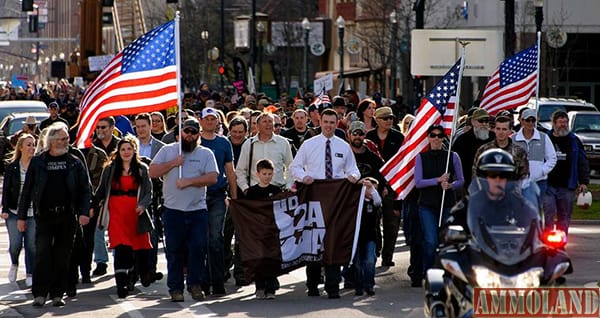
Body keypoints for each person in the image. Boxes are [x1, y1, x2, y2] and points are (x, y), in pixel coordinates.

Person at [289, 108, 361, 299]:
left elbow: (353, 169)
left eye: (332, 122)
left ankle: (333, 287)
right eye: (326, 122)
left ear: (337, 123)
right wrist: (304, 177)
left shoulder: (343, 146)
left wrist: (353, 177)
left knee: (333, 242)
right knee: (314, 244)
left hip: (337, 201)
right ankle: (312, 285)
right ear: (320, 122)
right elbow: (294, 167)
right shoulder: (308, 145)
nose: (329, 125)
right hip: (314, 198)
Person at [17, 123, 90, 307]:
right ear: (51, 141)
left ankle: (58, 293)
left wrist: (83, 212)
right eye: (62, 139)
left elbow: (85, 189)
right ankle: (40, 293)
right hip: (44, 216)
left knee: (62, 256)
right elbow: (27, 190)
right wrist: (21, 216)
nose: (66, 142)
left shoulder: (74, 162)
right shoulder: (38, 162)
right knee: (42, 254)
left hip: (67, 216)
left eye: (66, 139)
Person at [149, 117, 218, 302]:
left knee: (198, 247)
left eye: (193, 132)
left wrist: (189, 182)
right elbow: (152, 172)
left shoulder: (206, 153)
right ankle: (175, 288)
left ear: (198, 134)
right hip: (173, 210)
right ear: (179, 133)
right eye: (186, 131)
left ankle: (195, 285)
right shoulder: (168, 150)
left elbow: (213, 177)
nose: (189, 135)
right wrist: (173, 163)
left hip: (197, 210)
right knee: (174, 250)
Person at [91, 136, 154, 298]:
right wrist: (92, 206)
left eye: (129, 149)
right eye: (123, 149)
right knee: (121, 247)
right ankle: (121, 283)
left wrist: (143, 205)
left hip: (135, 212)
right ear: (118, 152)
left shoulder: (142, 169)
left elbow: (148, 192)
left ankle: (134, 276)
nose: (126, 152)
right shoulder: (110, 169)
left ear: (135, 151)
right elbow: (101, 190)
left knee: (137, 249)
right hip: (116, 212)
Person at [414, 124, 464, 274]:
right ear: (428, 137)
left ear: (443, 138)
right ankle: (429, 271)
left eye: (439, 136)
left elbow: (461, 180)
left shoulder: (452, 156)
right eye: (433, 135)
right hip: (427, 205)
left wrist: (450, 185)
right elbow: (418, 182)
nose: (436, 138)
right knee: (431, 241)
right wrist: (437, 180)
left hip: (447, 203)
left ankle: (445, 271)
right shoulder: (421, 157)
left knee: (445, 241)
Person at [199, 107, 238, 296]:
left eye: (212, 119)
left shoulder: (224, 143)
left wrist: (235, 196)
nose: (209, 122)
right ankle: (203, 280)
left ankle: (218, 280)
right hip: (196, 196)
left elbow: (230, 171)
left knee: (216, 238)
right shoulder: (193, 141)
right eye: (205, 119)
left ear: (217, 122)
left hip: (217, 196)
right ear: (200, 121)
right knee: (201, 240)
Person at [366, 106, 404, 267]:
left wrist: (392, 186)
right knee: (372, 222)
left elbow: (402, 163)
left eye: (391, 118)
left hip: (393, 186)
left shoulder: (399, 137)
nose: (389, 121)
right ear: (377, 120)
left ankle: (387, 256)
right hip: (373, 186)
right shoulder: (369, 137)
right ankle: (376, 250)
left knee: (391, 223)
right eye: (386, 118)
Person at [543, 110, 590, 235]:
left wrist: (584, 182)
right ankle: (547, 241)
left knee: (564, 216)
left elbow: (582, 162)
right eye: (560, 122)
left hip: (567, 186)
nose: (563, 125)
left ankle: (561, 242)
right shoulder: (546, 139)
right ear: (553, 123)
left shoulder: (575, 141)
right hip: (548, 185)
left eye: (565, 122)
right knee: (549, 212)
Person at [2, 134, 36, 287]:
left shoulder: (37, 167)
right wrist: (4, 208)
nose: (31, 148)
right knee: (15, 244)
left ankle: (30, 272)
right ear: (21, 147)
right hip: (14, 212)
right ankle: (14, 263)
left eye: (33, 145)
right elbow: (7, 190)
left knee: (31, 245)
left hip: (32, 213)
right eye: (28, 145)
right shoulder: (12, 167)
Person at [245, 159, 282, 300]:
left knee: (272, 259)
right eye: (264, 173)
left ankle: (271, 288)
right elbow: (245, 209)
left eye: (269, 174)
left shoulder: (276, 190)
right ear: (257, 174)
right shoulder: (252, 192)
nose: (267, 176)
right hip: (257, 232)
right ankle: (260, 287)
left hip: (272, 231)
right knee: (259, 259)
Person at [512, 108, 557, 203]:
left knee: (535, 211)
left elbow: (552, 158)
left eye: (533, 120)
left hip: (539, 182)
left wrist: (542, 171)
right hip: (518, 182)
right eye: (528, 120)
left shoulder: (543, 137)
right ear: (521, 120)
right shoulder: (513, 139)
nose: (530, 123)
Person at [452, 108, 495, 190]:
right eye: (481, 121)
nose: (484, 124)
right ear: (473, 122)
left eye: (486, 121)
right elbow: (455, 164)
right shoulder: (462, 140)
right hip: (469, 186)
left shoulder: (493, 138)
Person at [353, 177, 381, 297]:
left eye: (373, 189)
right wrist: (360, 186)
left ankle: (369, 285)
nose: (371, 191)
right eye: (368, 189)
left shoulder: (374, 203)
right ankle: (358, 286)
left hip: (370, 237)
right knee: (357, 263)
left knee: (369, 261)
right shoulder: (356, 203)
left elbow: (378, 201)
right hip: (357, 238)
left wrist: (371, 188)